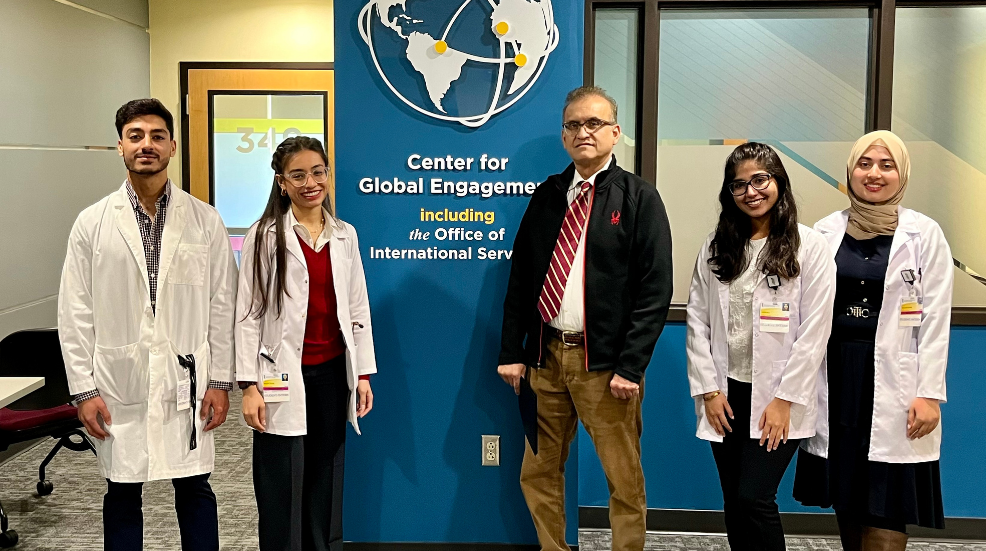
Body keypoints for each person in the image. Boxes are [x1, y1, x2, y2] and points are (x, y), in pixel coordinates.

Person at [497, 85, 673, 551]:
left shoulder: (639, 198)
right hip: (546, 359)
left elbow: (655, 290)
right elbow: (522, 280)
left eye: (594, 123)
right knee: (537, 473)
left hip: (607, 367)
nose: (583, 132)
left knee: (623, 479)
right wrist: (512, 353)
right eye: (573, 124)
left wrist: (631, 367)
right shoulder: (548, 196)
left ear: (615, 133)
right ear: (563, 135)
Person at [58, 98, 237, 551]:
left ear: (172, 147)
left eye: (157, 136)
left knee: (195, 487)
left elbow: (222, 303)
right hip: (119, 381)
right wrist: (84, 389)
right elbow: (75, 310)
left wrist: (219, 381)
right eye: (135, 136)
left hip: (188, 380)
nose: (147, 145)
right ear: (119, 146)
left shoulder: (204, 220)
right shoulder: (92, 223)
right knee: (121, 490)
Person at [794, 131, 951, 550]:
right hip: (838, 375)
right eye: (864, 164)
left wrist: (930, 393)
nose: (874, 173)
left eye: (886, 165)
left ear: (902, 174)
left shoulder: (925, 234)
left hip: (898, 379)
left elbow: (935, 319)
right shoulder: (825, 231)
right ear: (850, 171)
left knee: (888, 497)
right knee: (847, 492)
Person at [686, 142, 836, 550]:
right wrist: (710, 391)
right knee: (734, 501)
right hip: (727, 393)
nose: (750, 191)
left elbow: (815, 332)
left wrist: (785, 399)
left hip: (777, 396)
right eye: (739, 185)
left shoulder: (810, 247)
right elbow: (698, 322)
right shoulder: (717, 247)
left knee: (754, 497)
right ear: (729, 193)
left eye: (760, 180)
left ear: (779, 182)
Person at [234, 136, 377, 551]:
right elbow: (248, 314)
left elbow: (358, 308)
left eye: (317, 172)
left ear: (328, 176)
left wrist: (363, 375)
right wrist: (248, 385)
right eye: (298, 175)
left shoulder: (344, 235)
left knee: (325, 475)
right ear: (282, 182)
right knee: (281, 480)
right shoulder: (264, 236)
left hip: (333, 372)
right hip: (279, 376)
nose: (310, 182)